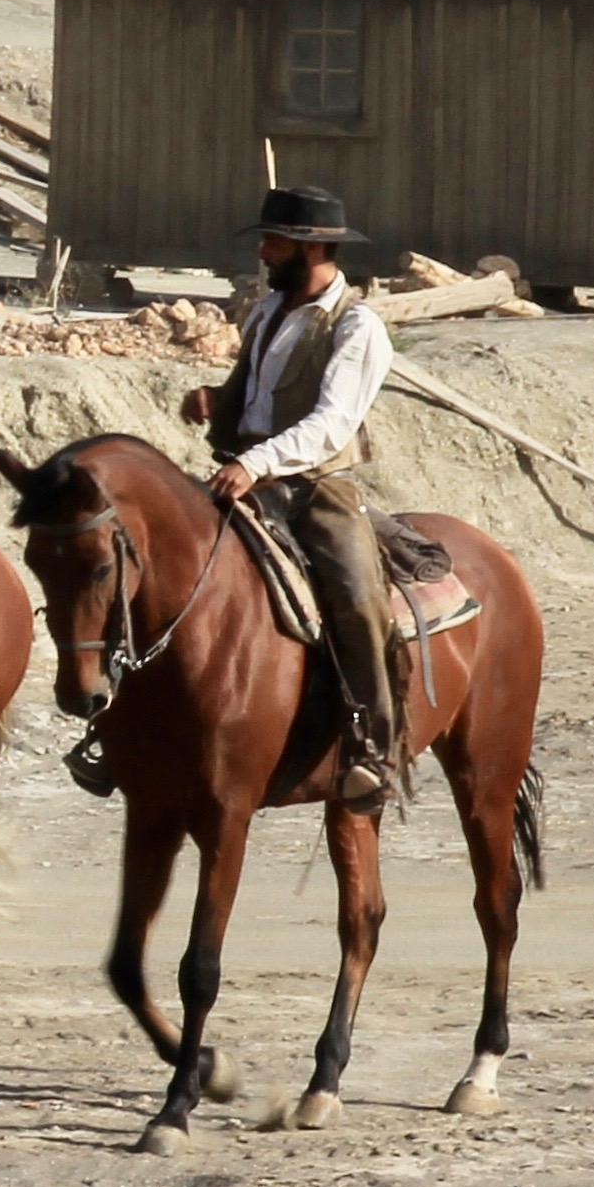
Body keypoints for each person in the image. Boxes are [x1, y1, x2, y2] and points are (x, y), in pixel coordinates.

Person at [179, 184, 402, 808]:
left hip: (313, 488)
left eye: (275, 243)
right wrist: (216, 402)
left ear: (315, 248)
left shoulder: (358, 326)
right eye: (267, 242)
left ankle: (372, 748)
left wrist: (257, 462)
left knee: (358, 597)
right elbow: (256, 396)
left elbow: (330, 422)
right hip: (242, 472)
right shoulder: (265, 311)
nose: (265, 254)